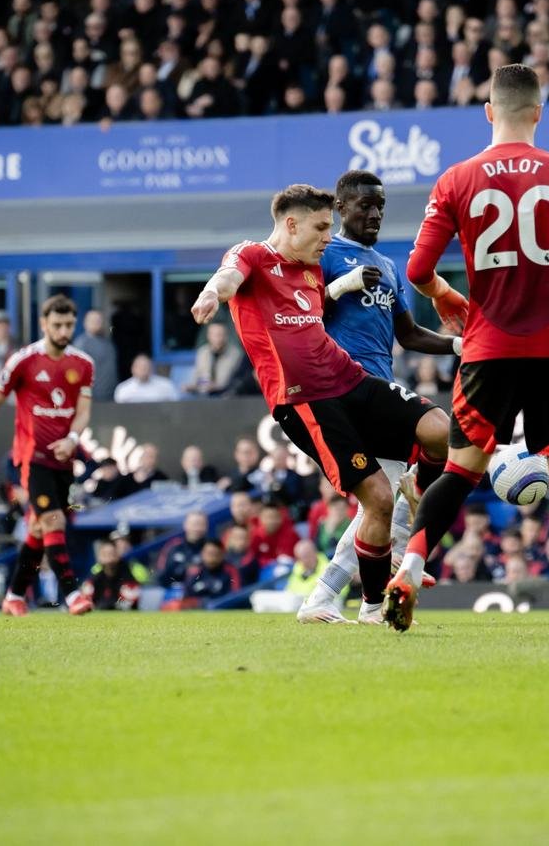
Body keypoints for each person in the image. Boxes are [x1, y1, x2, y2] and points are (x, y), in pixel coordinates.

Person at [391, 64, 549, 635]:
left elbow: (417, 270)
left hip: (487, 351)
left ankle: (410, 569)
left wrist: (442, 293)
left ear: (488, 112)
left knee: (461, 472)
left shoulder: (457, 179)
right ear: (538, 112)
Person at [191, 184, 448, 626]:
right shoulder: (253, 255)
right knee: (378, 500)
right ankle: (371, 608)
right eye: (322, 227)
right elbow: (229, 276)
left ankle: (416, 491)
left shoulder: (312, 271)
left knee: (440, 429)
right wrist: (213, 294)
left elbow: (323, 309)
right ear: (291, 224)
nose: (329, 237)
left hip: (352, 378)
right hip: (304, 400)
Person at [296, 168, 458, 624]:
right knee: (441, 433)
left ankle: (325, 596)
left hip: (380, 384)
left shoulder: (388, 267)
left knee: (379, 506)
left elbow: (408, 334)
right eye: (365, 205)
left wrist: (461, 344)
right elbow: (300, 313)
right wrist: (339, 286)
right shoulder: (325, 253)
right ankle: (403, 546)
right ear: (341, 208)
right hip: (343, 386)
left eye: (380, 206)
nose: (374, 214)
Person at [0, 294, 96, 616]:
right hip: (31, 458)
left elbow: (82, 412)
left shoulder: (83, 364)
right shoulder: (22, 360)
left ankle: (13, 595)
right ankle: (72, 595)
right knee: (54, 520)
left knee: (40, 529)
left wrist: (72, 438)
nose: (63, 330)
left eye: (69, 324)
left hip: (64, 460)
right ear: (43, 324)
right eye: (57, 324)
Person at [184, 322, 244, 396]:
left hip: (227, 397)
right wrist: (201, 385)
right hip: (204, 396)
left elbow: (230, 382)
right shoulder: (203, 353)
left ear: (226, 336)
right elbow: (199, 379)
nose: (217, 338)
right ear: (208, 336)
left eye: (220, 335)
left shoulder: (235, 354)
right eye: (214, 335)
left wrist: (213, 385)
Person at [73, 309, 118, 401]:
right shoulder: (81, 344)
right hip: (93, 399)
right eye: (93, 320)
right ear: (85, 323)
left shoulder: (108, 342)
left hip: (110, 396)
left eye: (99, 320)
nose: (97, 323)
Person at [113, 354, 180, 403]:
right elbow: (120, 413)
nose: (144, 370)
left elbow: (176, 407)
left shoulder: (166, 385)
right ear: (133, 369)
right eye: (140, 367)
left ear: (152, 368)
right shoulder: (123, 388)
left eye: (146, 366)